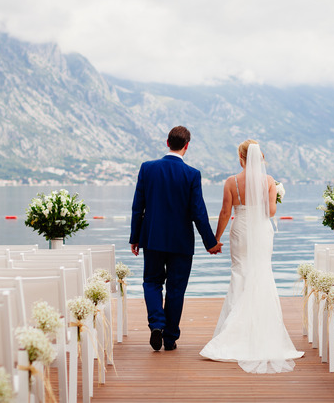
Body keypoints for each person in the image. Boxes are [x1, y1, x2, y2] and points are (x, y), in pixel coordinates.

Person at [199, 139, 304, 373]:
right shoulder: (268, 181)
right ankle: (261, 332)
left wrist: (215, 239)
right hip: (261, 231)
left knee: (240, 274)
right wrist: (273, 195)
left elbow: (226, 212)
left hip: (240, 230)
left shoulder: (231, 182)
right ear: (261, 158)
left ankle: (233, 333)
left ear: (241, 158)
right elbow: (271, 211)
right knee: (262, 273)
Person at [130, 126, 223, 352]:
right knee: (176, 289)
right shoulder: (192, 174)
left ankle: (156, 324)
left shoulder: (147, 168)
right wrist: (211, 242)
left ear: (167, 142)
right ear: (187, 146)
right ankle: (170, 338)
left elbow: (137, 207)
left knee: (151, 282)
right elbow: (198, 212)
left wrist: (135, 237)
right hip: (181, 242)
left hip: (152, 238)